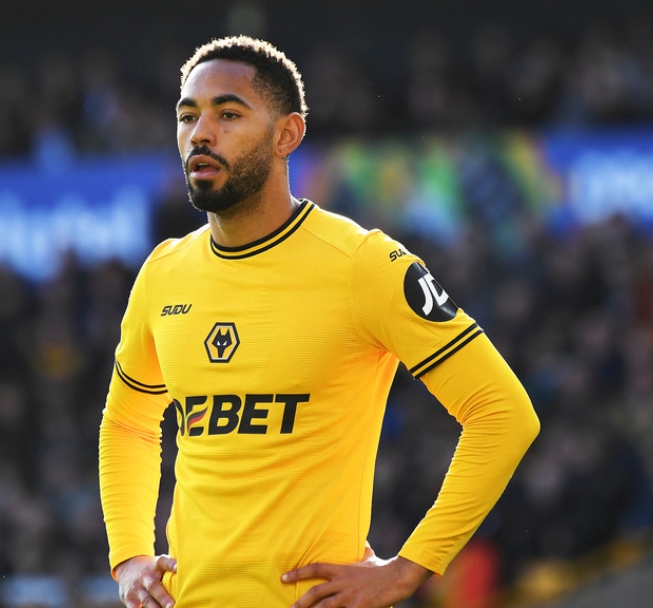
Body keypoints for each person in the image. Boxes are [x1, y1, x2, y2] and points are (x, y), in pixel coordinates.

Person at [98, 36, 539, 608]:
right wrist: (130, 556)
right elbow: (128, 422)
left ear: (287, 135)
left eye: (228, 114)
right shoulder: (163, 273)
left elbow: (503, 414)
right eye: (188, 116)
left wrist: (410, 568)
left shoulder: (364, 265)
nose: (200, 133)